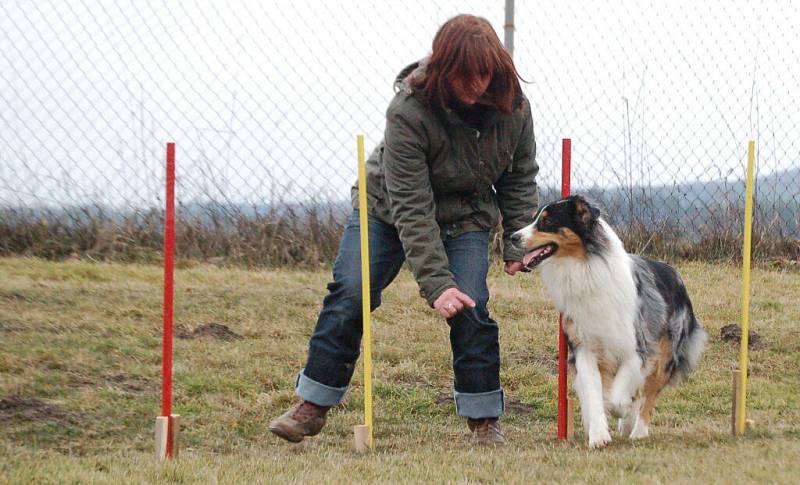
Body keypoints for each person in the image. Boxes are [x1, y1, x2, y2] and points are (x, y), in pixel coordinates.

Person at [269, 14, 538, 446]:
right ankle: (312, 404)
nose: (476, 85)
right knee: (352, 291)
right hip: (387, 209)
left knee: (472, 303)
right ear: (444, 67)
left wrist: (517, 242)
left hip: (466, 214)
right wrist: (436, 285)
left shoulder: (513, 107)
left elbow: (519, 176)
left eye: (484, 74)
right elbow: (412, 207)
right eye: (465, 75)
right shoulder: (409, 111)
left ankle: (484, 419)